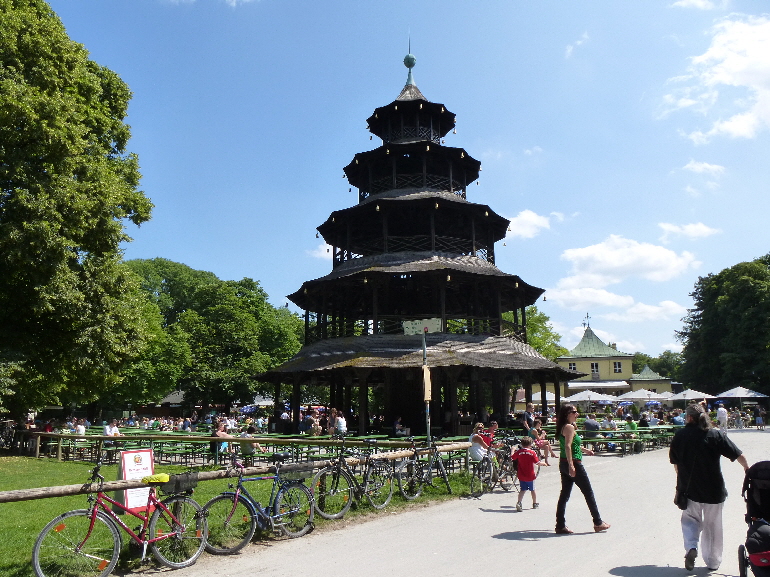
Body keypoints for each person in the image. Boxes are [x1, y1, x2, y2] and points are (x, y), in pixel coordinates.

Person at [669, 402, 749, 571]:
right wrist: (747, 469)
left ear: (689, 418)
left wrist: (681, 480)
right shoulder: (714, 434)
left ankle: (691, 547)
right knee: (713, 525)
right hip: (714, 489)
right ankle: (713, 562)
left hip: (689, 489)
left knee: (690, 520)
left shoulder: (680, 435)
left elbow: (676, 464)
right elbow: (737, 454)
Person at [554, 404, 610, 535]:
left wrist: (584, 450)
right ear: (568, 414)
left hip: (564, 462)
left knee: (564, 495)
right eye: (574, 412)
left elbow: (572, 444)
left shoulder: (565, 426)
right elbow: (567, 446)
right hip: (573, 463)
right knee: (588, 492)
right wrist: (571, 465)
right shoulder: (569, 427)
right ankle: (598, 522)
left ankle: (560, 525)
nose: (577, 414)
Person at [512, 437, 543, 511]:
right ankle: (534, 503)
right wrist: (544, 463)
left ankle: (519, 502)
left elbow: (513, 457)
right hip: (530, 475)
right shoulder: (532, 452)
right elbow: (537, 462)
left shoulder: (519, 452)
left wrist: (512, 450)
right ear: (530, 444)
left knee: (522, 490)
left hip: (521, 474)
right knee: (533, 490)